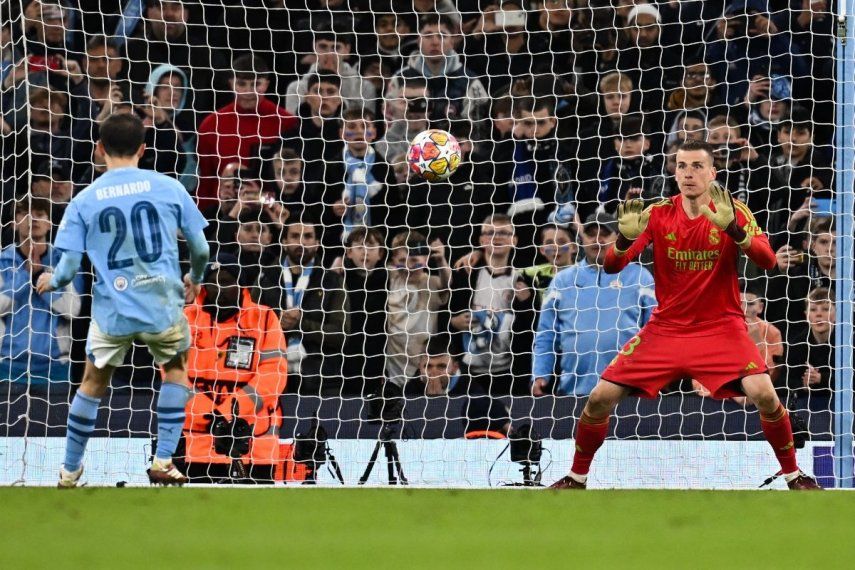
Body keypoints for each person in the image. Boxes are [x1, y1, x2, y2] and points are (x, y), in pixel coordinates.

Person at [549, 139, 821, 490]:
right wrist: (621, 240)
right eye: (681, 166)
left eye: (696, 166)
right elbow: (614, 265)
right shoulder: (658, 213)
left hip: (721, 328)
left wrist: (733, 230)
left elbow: (768, 261)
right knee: (599, 398)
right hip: (666, 330)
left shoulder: (733, 210)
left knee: (766, 396)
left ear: (713, 172)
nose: (688, 173)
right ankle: (576, 477)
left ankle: (794, 475)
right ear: (673, 171)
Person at [35, 112, 210, 487]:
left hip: (113, 310)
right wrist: (194, 278)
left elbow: (68, 268)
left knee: (92, 384)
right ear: (143, 150)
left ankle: (69, 470)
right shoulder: (169, 187)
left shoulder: (84, 200)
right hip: (162, 305)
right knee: (175, 371)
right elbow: (201, 248)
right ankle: (163, 460)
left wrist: (52, 280)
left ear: (98, 149)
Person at [181, 254, 288, 482]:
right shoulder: (185, 319)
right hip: (196, 438)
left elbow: (273, 373)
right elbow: (172, 375)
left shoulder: (265, 317)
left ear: (241, 285)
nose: (220, 288)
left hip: (253, 439)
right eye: (214, 281)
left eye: (228, 280)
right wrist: (208, 414)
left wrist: (230, 412)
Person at [532, 213, 655, 396]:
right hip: (573, 393)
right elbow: (545, 335)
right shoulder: (561, 281)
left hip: (629, 393)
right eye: (591, 234)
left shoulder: (640, 277)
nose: (598, 240)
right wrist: (540, 374)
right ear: (582, 239)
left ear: (618, 237)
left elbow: (655, 332)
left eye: (604, 234)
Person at [257, 220, 348, 395]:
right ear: (283, 241)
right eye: (295, 236)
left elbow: (341, 334)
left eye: (307, 236)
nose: (301, 242)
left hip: (322, 381)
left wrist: (300, 323)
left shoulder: (332, 281)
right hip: (271, 377)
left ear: (317, 242)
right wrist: (278, 323)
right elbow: (249, 326)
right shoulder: (265, 278)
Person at [0, 197, 83, 386]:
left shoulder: (65, 262)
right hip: (6, 366)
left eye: (39, 214)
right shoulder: (2, 262)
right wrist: (24, 276)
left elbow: (72, 310)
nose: (32, 220)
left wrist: (40, 277)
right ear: (13, 224)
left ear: (49, 224)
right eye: (25, 214)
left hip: (55, 368)